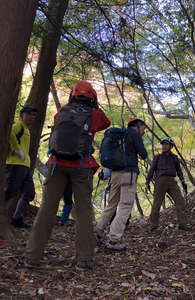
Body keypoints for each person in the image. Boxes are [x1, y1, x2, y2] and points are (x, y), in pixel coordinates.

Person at [25, 80, 110, 270]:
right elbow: (106, 122)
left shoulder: (62, 112)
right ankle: (85, 259)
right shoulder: (94, 114)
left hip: (56, 165)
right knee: (83, 211)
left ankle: (32, 257)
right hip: (81, 165)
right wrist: (94, 106)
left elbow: (57, 122)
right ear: (92, 97)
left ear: (73, 95)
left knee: (47, 208)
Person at [96, 117, 147, 251]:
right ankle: (114, 239)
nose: (144, 131)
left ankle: (96, 232)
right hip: (128, 174)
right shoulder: (134, 134)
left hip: (115, 175)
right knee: (125, 206)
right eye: (143, 128)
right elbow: (144, 154)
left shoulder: (118, 136)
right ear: (137, 126)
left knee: (111, 204)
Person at [146, 137, 190, 232]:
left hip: (172, 181)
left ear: (171, 146)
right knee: (157, 203)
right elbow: (151, 170)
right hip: (160, 181)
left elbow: (179, 171)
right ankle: (154, 226)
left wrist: (183, 183)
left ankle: (182, 224)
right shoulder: (157, 157)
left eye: (166, 144)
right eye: (163, 144)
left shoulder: (174, 158)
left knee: (180, 201)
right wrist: (147, 182)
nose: (164, 146)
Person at [5, 105, 38, 228]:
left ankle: (16, 218)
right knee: (9, 192)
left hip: (25, 166)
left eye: (34, 115)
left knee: (29, 193)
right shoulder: (18, 126)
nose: (32, 117)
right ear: (22, 115)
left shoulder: (27, 129)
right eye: (29, 114)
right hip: (15, 164)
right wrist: (16, 150)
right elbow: (10, 134)